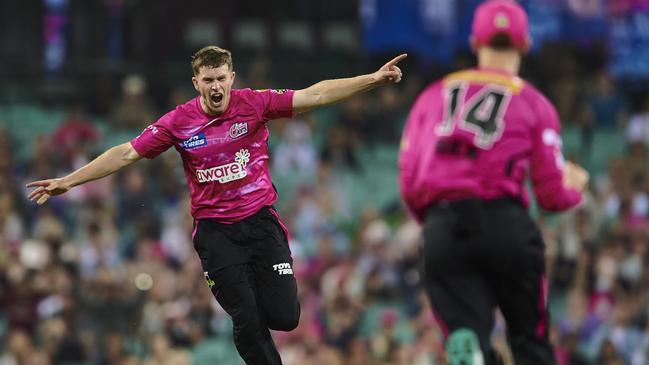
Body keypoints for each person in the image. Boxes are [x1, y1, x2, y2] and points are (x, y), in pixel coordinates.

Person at [27, 45, 406, 365]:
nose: (216, 86)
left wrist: (371, 79)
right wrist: (68, 181)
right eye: (208, 80)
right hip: (216, 233)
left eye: (222, 78)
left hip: (261, 223)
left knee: (286, 318)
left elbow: (317, 94)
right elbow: (127, 153)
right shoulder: (179, 122)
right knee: (246, 315)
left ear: (232, 77)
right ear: (197, 83)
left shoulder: (254, 104)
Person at [398, 1, 588, 364]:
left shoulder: (432, 96)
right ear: (526, 44)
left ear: (474, 42)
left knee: (467, 334)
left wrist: (440, 224)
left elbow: (409, 181)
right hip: (506, 225)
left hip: (444, 227)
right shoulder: (535, 103)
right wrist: (574, 186)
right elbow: (550, 195)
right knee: (530, 342)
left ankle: (473, 348)